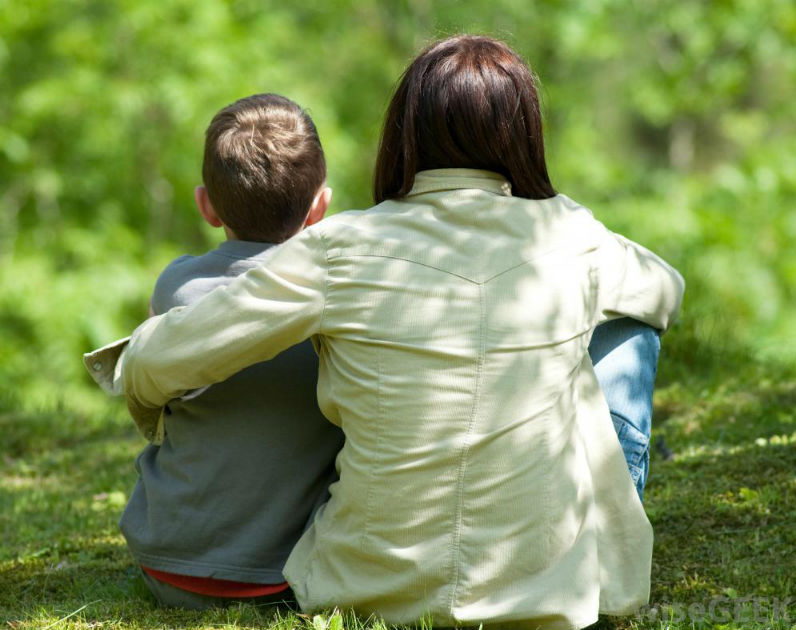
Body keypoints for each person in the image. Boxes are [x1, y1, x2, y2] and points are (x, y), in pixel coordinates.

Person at [112, 36, 685, 629]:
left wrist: (142, 390)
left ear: (404, 131)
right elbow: (663, 289)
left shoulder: (341, 247)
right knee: (628, 328)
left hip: (370, 588)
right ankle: (601, 530)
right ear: (524, 135)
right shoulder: (570, 234)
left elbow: (162, 359)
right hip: (549, 592)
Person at [84, 93, 344, 609]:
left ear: (206, 205)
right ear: (321, 206)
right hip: (286, 575)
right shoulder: (336, 307)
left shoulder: (177, 287)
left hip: (167, 566)